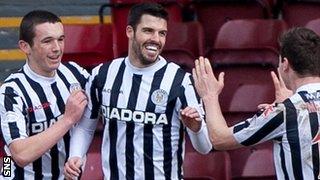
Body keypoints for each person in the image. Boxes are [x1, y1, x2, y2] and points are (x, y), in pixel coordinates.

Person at [64, 2, 212, 180]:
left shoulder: (180, 81)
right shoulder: (102, 75)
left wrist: (196, 128)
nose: (156, 39)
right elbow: (86, 128)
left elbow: (204, 148)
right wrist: (75, 156)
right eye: (148, 31)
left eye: (162, 33)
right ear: (130, 32)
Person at [192, 27, 320, 179]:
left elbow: (219, 138)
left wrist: (210, 96)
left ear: (285, 64)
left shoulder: (285, 112)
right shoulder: (285, 109)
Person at [0, 10, 89, 179]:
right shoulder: (11, 90)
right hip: (13, 172)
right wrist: (67, 120)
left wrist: (78, 158)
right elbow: (19, 155)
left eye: (61, 39)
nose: (57, 48)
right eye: (47, 41)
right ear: (25, 46)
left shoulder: (74, 73)